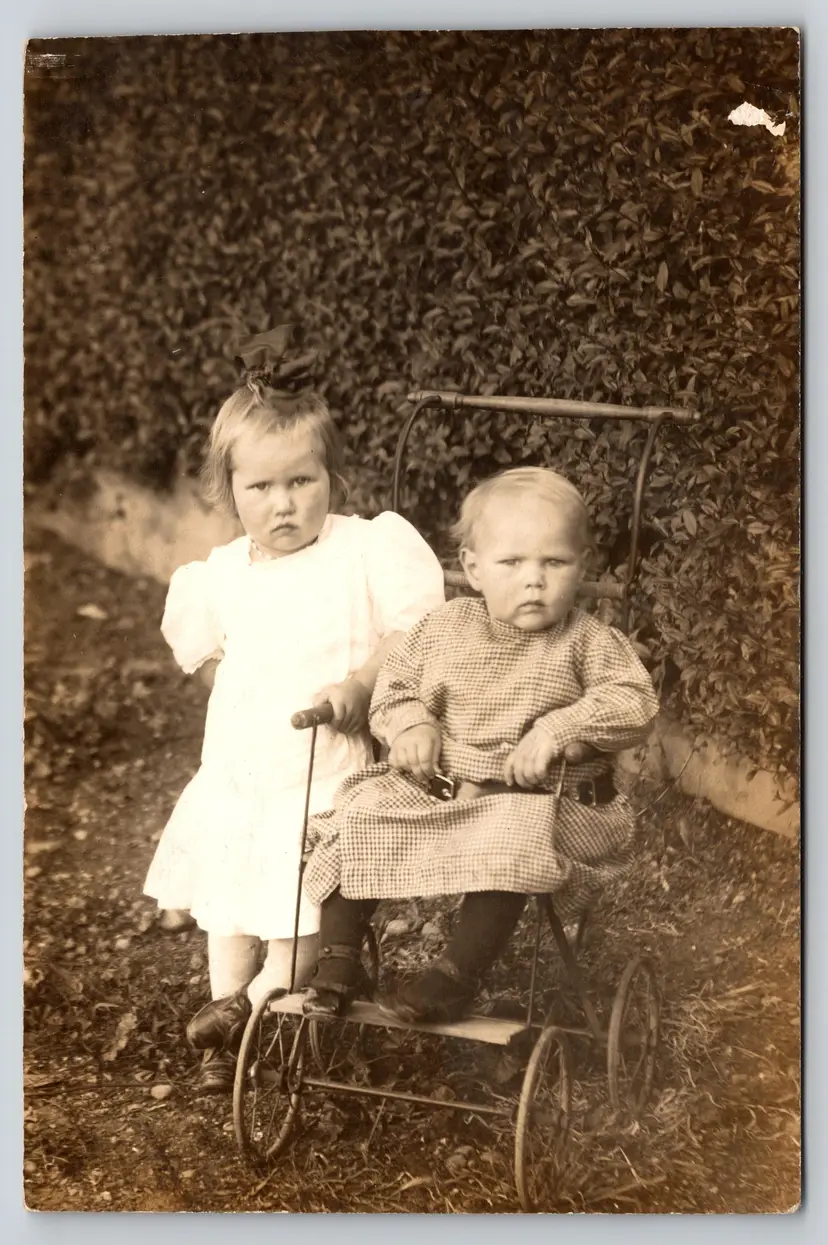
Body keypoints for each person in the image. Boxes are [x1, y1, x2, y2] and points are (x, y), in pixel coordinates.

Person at [143, 328, 445, 1090]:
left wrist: (362, 683)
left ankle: (246, 1011)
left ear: (332, 477)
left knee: (306, 920)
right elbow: (211, 652)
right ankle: (226, 1029)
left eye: (302, 482)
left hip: (325, 772)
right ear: (229, 488)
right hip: (243, 774)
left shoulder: (362, 551)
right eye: (262, 488)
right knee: (229, 907)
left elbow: (411, 631)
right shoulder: (220, 575)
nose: (283, 504)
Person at [300, 466, 659, 1023]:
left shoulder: (589, 641)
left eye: (555, 563)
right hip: (443, 790)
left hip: (546, 804)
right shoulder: (443, 628)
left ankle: (455, 976)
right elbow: (393, 690)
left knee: (509, 836)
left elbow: (634, 702)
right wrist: (413, 725)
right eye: (512, 563)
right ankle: (338, 960)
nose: (534, 580)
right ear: (472, 568)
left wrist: (557, 730)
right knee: (362, 811)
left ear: (583, 566)